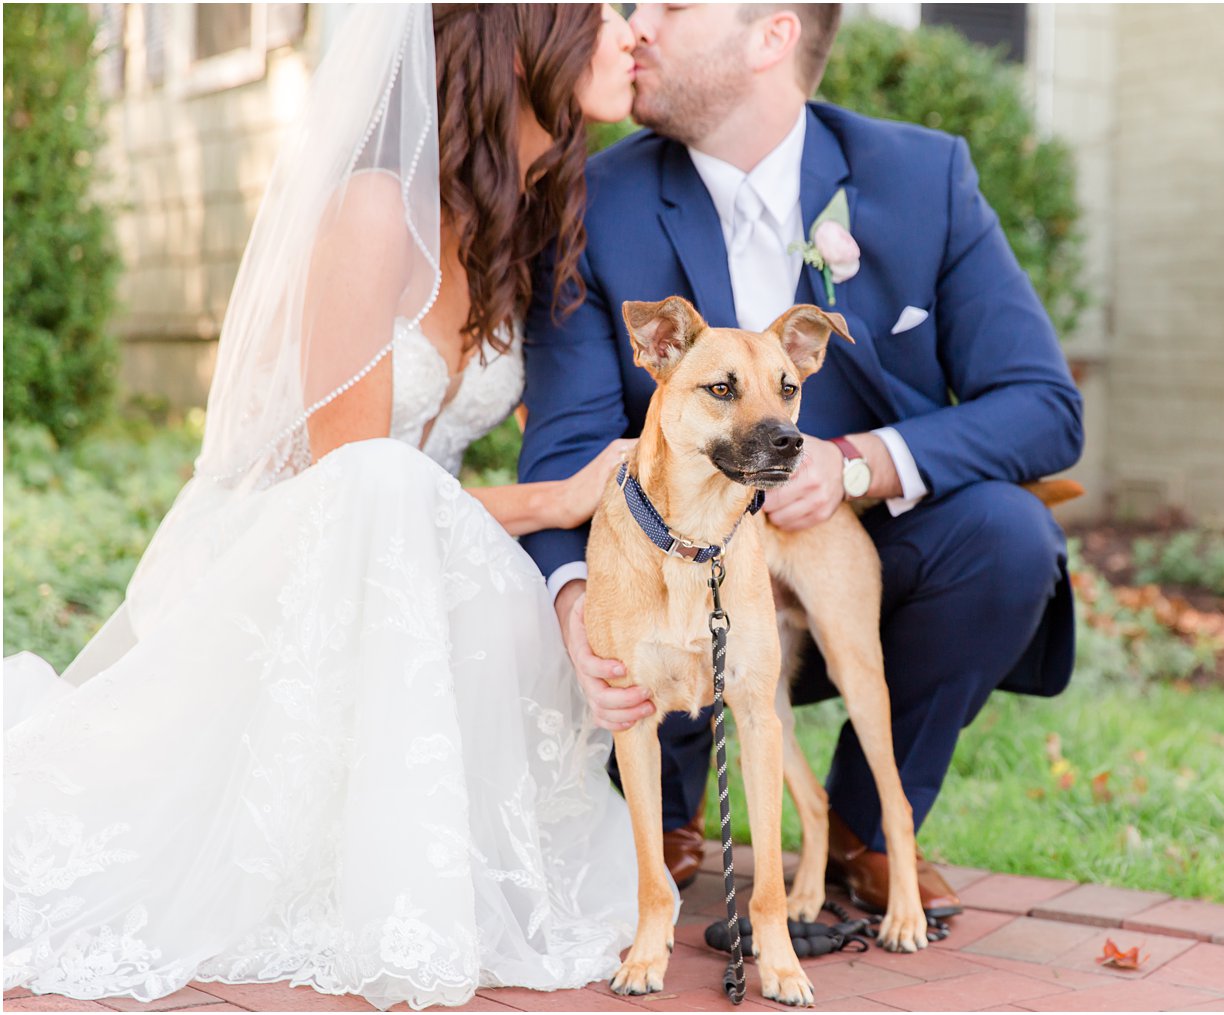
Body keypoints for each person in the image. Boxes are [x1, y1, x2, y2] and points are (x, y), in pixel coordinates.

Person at [3, 6, 656, 1010]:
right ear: (528, 36)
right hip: (277, 551)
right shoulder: (372, 209)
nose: (630, 31)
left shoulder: (516, 217)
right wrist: (552, 499)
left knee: (468, 550)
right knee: (390, 487)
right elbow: (348, 484)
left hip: (399, 553)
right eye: (605, 11)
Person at [518, 3, 1084, 919]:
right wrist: (579, 607)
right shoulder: (592, 200)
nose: (636, 26)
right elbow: (568, 450)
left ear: (771, 36)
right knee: (612, 558)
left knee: (1011, 535)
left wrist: (855, 463)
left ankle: (861, 828)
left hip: (843, 567)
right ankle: (662, 812)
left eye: (672, 5)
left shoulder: (921, 176)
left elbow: (1044, 406)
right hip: (664, 583)